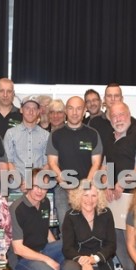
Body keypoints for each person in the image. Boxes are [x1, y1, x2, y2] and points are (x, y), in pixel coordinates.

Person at [101, 101, 136, 270]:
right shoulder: (109, 137)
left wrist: (123, 182)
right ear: (109, 119)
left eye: (121, 114)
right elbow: (105, 165)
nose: (118, 119)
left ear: (129, 114)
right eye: (114, 116)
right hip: (114, 197)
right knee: (116, 236)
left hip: (134, 195)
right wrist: (108, 184)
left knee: (132, 238)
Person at [47, 96, 103, 226]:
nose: (74, 112)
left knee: (87, 228)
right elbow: (52, 163)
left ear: (84, 111)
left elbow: (96, 163)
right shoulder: (56, 135)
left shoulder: (93, 134)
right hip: (63, 190)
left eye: (78, 109)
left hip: (87, 190)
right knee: (66, 230)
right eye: (71, 108)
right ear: (66, 111)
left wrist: (85, 187)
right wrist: (67, 186)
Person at [9, 169, 65, 270]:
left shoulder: (46, 202)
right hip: (22, 257)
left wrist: (57, 251)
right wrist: (48, 260)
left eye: (44, 187)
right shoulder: (16, 209)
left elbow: (45, 229)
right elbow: (18, 249)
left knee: (67, 244)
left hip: (42, 249)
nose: (40, 191)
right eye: (36, 186)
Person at [61, 182, 116, 270]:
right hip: (78, 261)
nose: (89, 200)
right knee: (69, 269)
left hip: (101, 261)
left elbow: (111, 245)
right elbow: (67, 248)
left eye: (93, 196)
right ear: (79, 196)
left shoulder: (106, 213)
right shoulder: (70, 216)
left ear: (99, 197)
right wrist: (84, 262)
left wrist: (94, 259)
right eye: (85, 195)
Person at [3, 95, 50, 182]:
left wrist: (36, 183)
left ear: (38, 111)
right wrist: (20, 183)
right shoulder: (10, 134)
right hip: (16, 187)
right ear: (21, 110)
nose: (31, 112)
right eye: (27, 108)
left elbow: (47, 163)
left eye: (34, 109)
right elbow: (8, 162)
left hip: (38, 186)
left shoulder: (46, 135)